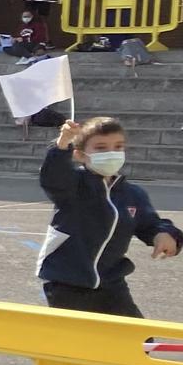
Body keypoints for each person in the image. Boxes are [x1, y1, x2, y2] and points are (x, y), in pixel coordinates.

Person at [37, 116, 179, 317]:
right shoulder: (73, 185)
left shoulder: (133, 194)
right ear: (80, 155)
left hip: (111, 284)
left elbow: (150, 223)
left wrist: (163, 234)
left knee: (135, 339)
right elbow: (53, 177)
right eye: (101, 148)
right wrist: (62, 144)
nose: (111, 153)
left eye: (118, 146)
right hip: (67, 284)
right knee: (79, 343)